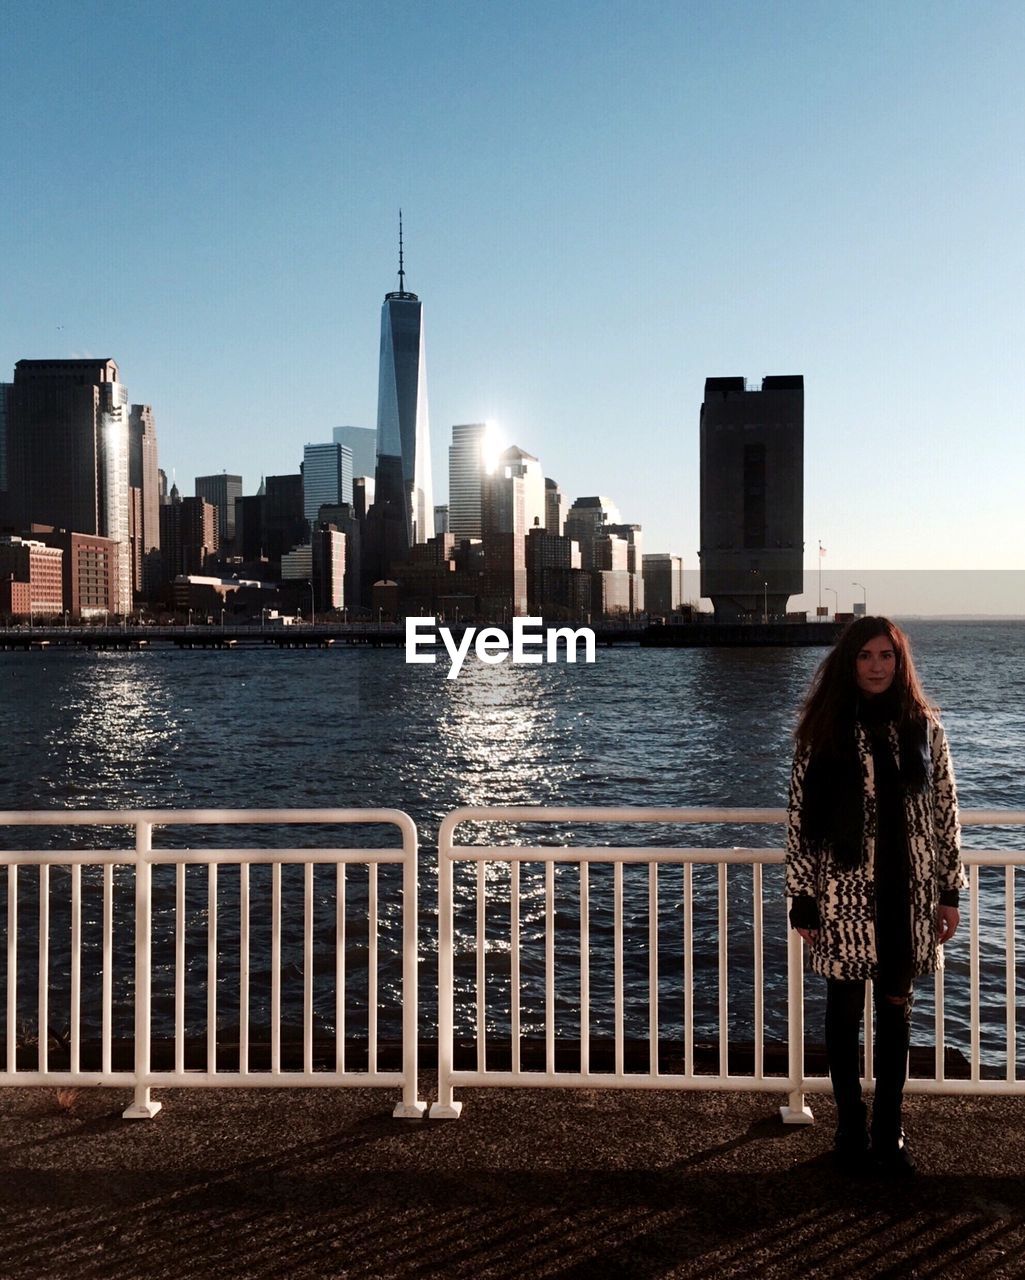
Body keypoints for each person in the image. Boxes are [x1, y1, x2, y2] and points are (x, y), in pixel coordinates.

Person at [785, 615, 965, 1175]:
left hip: (908, 895)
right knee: (841, 1019)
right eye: (865, 656)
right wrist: (803, 896)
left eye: (886, 655)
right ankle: (849, 1128)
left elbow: (945, 813)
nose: (876, 666)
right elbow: (798, 822)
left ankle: (890, 1131)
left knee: (895, 1017)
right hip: (843, 895)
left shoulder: (924, 727)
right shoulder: (823, 729)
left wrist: (949, 890)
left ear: (900, 661)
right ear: (849, 662)